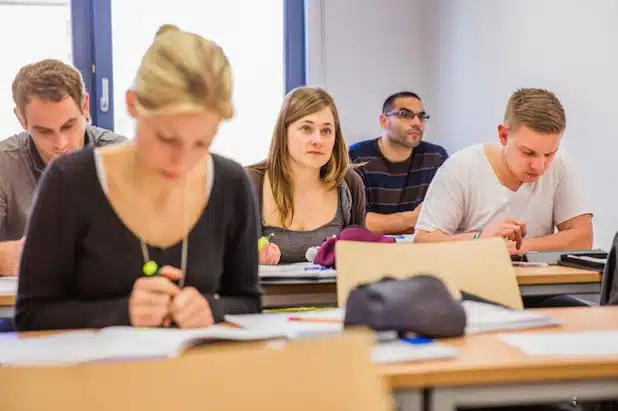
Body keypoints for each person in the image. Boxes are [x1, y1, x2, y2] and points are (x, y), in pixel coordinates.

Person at [15, 25, 261, 331]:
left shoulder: (230, 183)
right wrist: (123, 313)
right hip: (95, 378)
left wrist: (211, 309)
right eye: (167, 139)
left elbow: (249, 303)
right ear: (132, 104)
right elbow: (32, 315)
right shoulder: (70, 183)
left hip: (199, 377)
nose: (182, 161)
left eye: (202, 143)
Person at [414, 88, 592, 254]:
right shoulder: (460, 167)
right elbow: (422, 242)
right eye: (528, 152)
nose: (539, 166)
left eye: (549, 154)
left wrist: (518, 247)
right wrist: (481, 240)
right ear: (504, 136)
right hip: (470, 280)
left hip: (537, 282)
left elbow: (583, 237)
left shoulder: (561, 162)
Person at [0, 59, 126, 277]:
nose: (61, 143)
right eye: (44, 131)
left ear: (85, 106)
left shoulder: (124, 157)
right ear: (21, 119)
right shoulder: (4, 164)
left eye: (69, 126)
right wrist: (2, 259)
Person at [247, 87, 366, 265]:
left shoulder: (349, 182)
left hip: (332, 293)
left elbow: (358, 258)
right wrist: (249, 258)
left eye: (326, 131)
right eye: (306, 128)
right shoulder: (250, 181)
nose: (317, 140)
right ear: (284, 132)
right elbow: (222, 257)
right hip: (267, 293)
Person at [349, 91, 448, 235]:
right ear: (384, 121)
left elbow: (442, 219)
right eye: (405, 115)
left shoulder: (435, 157)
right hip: (371, 249)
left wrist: (385, 223)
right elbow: (358, 223)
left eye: (421, 116)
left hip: (420, 247)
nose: (416, 122)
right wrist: (413, 219)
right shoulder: (358, 156)